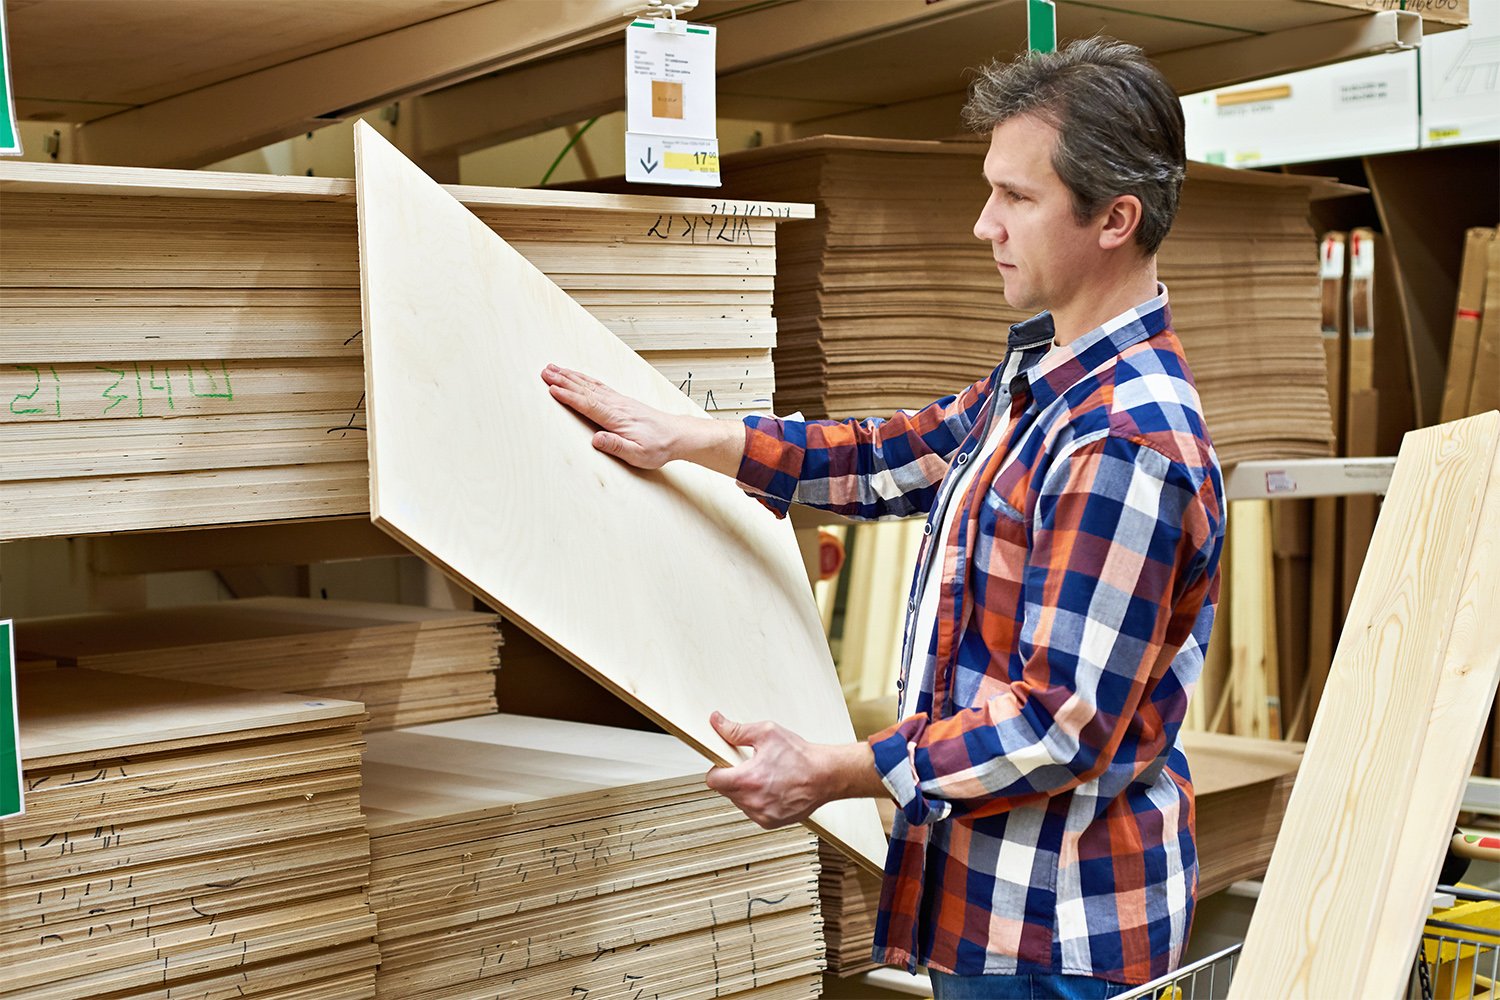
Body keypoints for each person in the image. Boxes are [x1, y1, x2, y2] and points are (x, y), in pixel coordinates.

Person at [543, 36, 1223, 1000]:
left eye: (1017, 199)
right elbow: (893, 455)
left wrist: (833, 768)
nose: (983, 225)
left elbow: (1053, 727)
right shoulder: (1045, 380)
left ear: (1116, 218)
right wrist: (691, 438)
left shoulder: (1126, 444)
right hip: (995, 911)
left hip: (1055, 936)